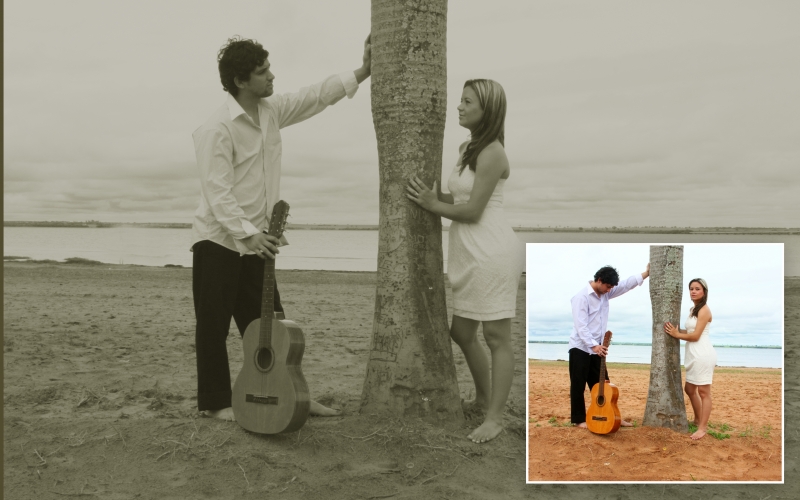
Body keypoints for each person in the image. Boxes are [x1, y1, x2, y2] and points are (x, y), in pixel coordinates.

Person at [191, 35, 371, 421]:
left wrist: (364, 70)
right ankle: (217, 403)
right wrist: (249, 233)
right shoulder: (215, 128)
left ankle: (295, 396)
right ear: (241, 81)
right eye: (262, 72)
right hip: (219, 240)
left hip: (258, 240)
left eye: (269, 68)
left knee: (275, 329)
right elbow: (216, 191)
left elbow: (314, 97)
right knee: (213, 326)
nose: (272, 76)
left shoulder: (270, 112)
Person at [406, 79, 525, 443]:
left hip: (491, 250)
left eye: (467, 101)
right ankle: (486, 397)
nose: (459, 106)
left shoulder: (493, 152)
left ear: (486, 109)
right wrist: (431, 195)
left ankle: (494, 417)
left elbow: (472, 211)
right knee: (461, 332)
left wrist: (431, 205)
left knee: (496, 335)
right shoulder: (467, 148)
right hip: (468, 251)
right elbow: (458, 196)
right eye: (460, 99)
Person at [568, 264, 650, 428]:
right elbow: (581, 326)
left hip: (597, 348)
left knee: (605, 385)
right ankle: (579, 420)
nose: (609, 290)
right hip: (580, 347)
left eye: (611, 287)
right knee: (578, 384)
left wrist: (646, 273)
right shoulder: (581, 297)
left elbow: (626, 285)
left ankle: (613, 417)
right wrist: (593, 346)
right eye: (608, 286)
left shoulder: (605, 293)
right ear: (599, 280)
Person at [664, 278, 716, 440]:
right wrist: (677, 330)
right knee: (689, 389)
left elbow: (695, 336)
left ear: (704, 292)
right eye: (691, 289)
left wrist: (676, 335)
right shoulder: (693, 309)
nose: (693, 291)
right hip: (693, 354)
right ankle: (698, 418)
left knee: (703, 392)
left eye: (697, 289)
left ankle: (703, 427)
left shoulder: (704, 310)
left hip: (702, 353)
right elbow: (691, 329)